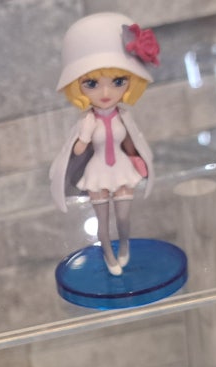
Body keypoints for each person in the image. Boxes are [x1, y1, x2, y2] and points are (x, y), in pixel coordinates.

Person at [49, 13, 157, 275]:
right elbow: (77, 151)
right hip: (97, 171)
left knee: (124, 217)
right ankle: (108, 254)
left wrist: (137, 158)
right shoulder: (87, 121)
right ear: (78, 86)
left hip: (121, 169)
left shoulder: (123, 117)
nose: (106, 93)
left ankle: (124, 246)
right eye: (92, 84)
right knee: (103, 222)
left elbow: (130, 142)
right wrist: (84, 137)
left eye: (118, 81)